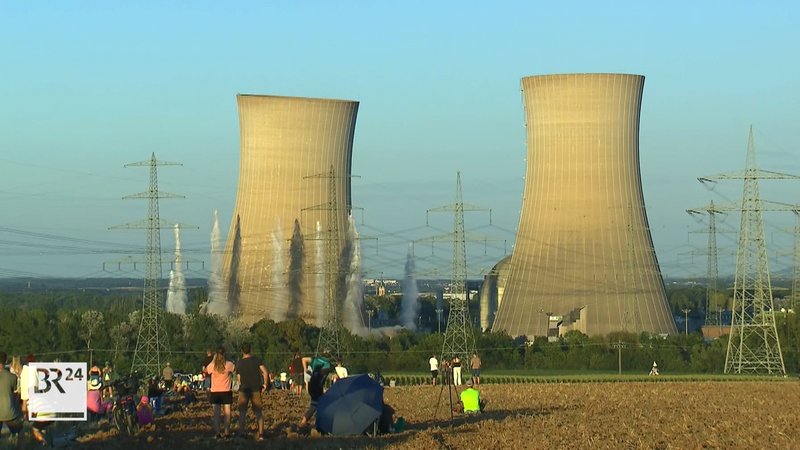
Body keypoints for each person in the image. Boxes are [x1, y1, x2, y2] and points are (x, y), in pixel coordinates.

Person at [235, 343, 268, 442]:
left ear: (242, 350)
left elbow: (239, 378)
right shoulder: (257, 360)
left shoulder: (239, 363)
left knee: (242, 413)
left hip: (244, 389)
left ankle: (241, 434)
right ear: (250, 349)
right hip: (256, 389)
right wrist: (265, 384)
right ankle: (261, 434)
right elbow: (265, 372)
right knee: (258, 412)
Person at [206, 347, 235, 439]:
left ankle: (217, 433)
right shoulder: (229, 364)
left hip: (215, 392)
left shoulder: (213, 365)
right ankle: (227, 433)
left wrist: (213, 360)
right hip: (226, 391)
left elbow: (206, 370)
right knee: (227, 413)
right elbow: (234, 370)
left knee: (216, 414)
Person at [298, 352, 333, 427]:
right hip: (318, 386)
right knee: (320, 404)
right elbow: (328, 376)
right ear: (329, 358)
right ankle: (314, 422)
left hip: (312, 384)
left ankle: (305, 420)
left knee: (315, 404)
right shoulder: (328, 364)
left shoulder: (315, 359)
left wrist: (306, 370)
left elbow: (303, 359)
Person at [0, 351, 23, 446]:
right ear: (5, 361)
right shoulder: (12, 377)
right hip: (9, 413)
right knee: (20, 433)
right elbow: (16, 393)